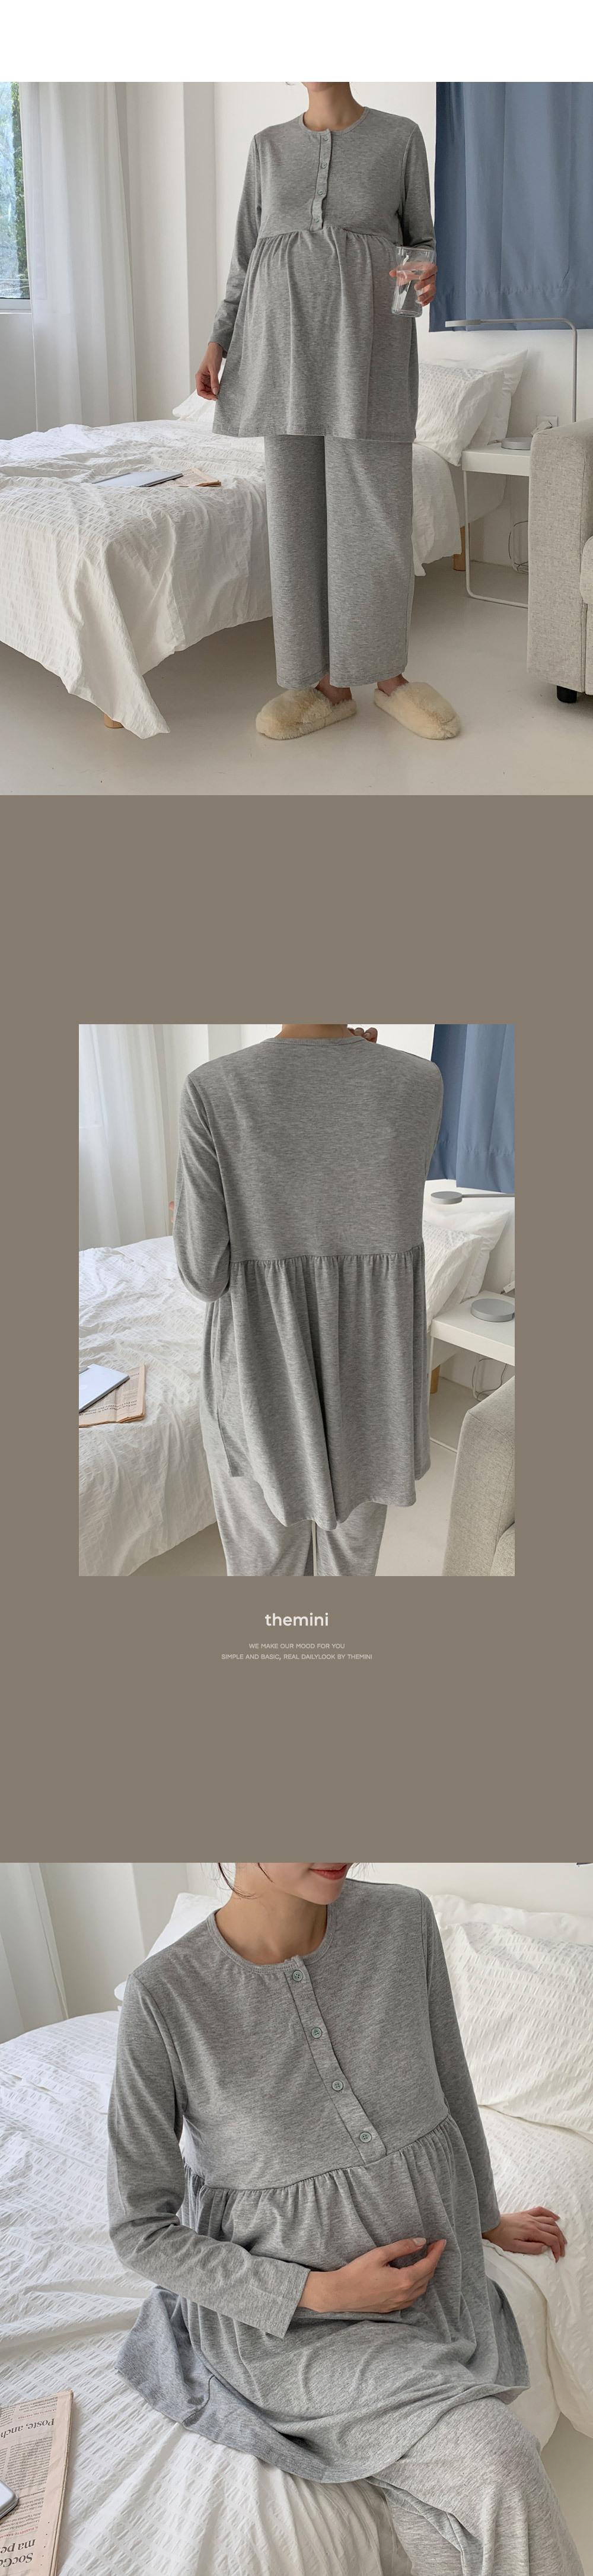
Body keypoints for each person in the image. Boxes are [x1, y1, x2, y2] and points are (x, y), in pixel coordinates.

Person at [107, 1866, 581, 2576]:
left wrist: (483, 2217)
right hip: (294, 2331)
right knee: (498, 2456)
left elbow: (450, 2083)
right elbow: (138, 2230)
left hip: (436, 2291)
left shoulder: (402, 1922)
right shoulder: (165, 1994)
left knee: (447, 2530)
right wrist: (320, 2293)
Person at [195, 87, 460, 744]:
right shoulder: (267, 147)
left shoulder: (399, 137)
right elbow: (246, 257)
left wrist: (422, 279)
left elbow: (421, 241)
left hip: (367, 351)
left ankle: (388, 676)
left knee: (375, 515)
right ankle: (322, 685)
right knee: (296, 518)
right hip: (280, 350)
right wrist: (219, 338)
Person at [171, 1025, 444, 1577]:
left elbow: (204, 1275)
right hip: (375, 1383)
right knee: (351, 1567)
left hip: (260, 1378)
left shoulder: (212, 1088)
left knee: (267, 1569)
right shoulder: (421, 1082)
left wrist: (182, 1214)